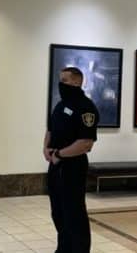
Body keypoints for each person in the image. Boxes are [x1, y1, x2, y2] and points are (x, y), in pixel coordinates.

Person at [44, 67, 99, 253]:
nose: (61, 84)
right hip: (56, 166)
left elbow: (85, 144)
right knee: (58, 212)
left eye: (65, 81)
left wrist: (60, 154)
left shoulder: (86, 107)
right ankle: (64, 249)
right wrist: (46, 148)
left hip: (73, 167)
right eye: (60, 80)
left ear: (76, 82)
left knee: (73, 212)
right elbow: (50, 130)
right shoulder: (60, 105)